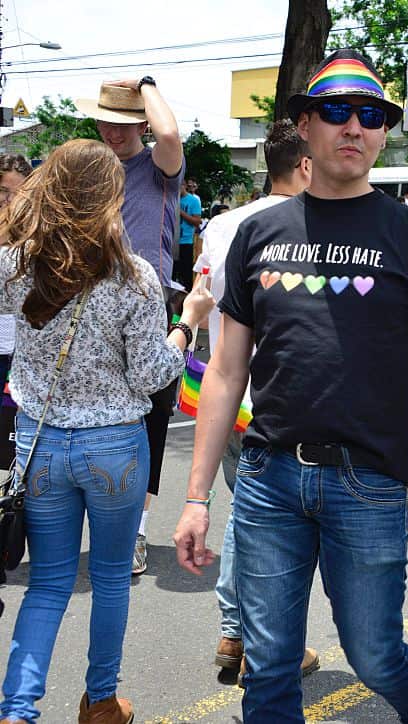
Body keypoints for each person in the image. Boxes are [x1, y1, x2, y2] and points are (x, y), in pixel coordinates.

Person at [171, 49, 408, 723]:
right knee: (269, 664)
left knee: (375, 655)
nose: (354, 127)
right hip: (269, 478)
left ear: (385, 130)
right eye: (336, 112)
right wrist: (196, 498)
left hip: (369, 483)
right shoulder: (258, 234)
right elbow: (225, 370)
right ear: (305, 126)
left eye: (371, 115)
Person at [0, 139, 214, 724]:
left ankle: (16, 710)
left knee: (46, 585)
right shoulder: (136, 276)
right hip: (115, 447)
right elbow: (150, 377)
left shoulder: (14, 264)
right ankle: (100, 703)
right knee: (113, 578)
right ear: (112, 196)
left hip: (39, 444)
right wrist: (188, 325)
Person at [190, 120, 319, 680]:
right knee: (263, 523)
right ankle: (242, 635)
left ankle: (244, 636)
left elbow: (202, 296)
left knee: (248, 514)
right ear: (305, 165)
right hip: (273, 397)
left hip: (222, 391)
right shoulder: (298, 226)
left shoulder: (219, 224)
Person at [75, 78, 185, 575]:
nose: (111, 132)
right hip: (92, 299)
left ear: (141, 121)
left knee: (149, 418)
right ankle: (94, 523)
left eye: (122, 123)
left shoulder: (159, 167)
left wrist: (147, 86)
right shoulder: (91, 170)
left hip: (150, 298)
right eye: (104, 122)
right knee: (94, 416)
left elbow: (170, 136)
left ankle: (135, 535)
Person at [0, 153, 32, 472]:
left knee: (16, 444)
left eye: (18, 193)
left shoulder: (37, 234)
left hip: (21, 349)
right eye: (3, 193)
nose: (10, 201)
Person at [176, 178, 202, 290]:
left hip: (186, 241)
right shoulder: (170, 199)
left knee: (186, 274)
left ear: (184, 185)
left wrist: (180, 212)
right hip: (171, 242)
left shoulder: (193, 201)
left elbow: (197, 221)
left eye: (180, 185)